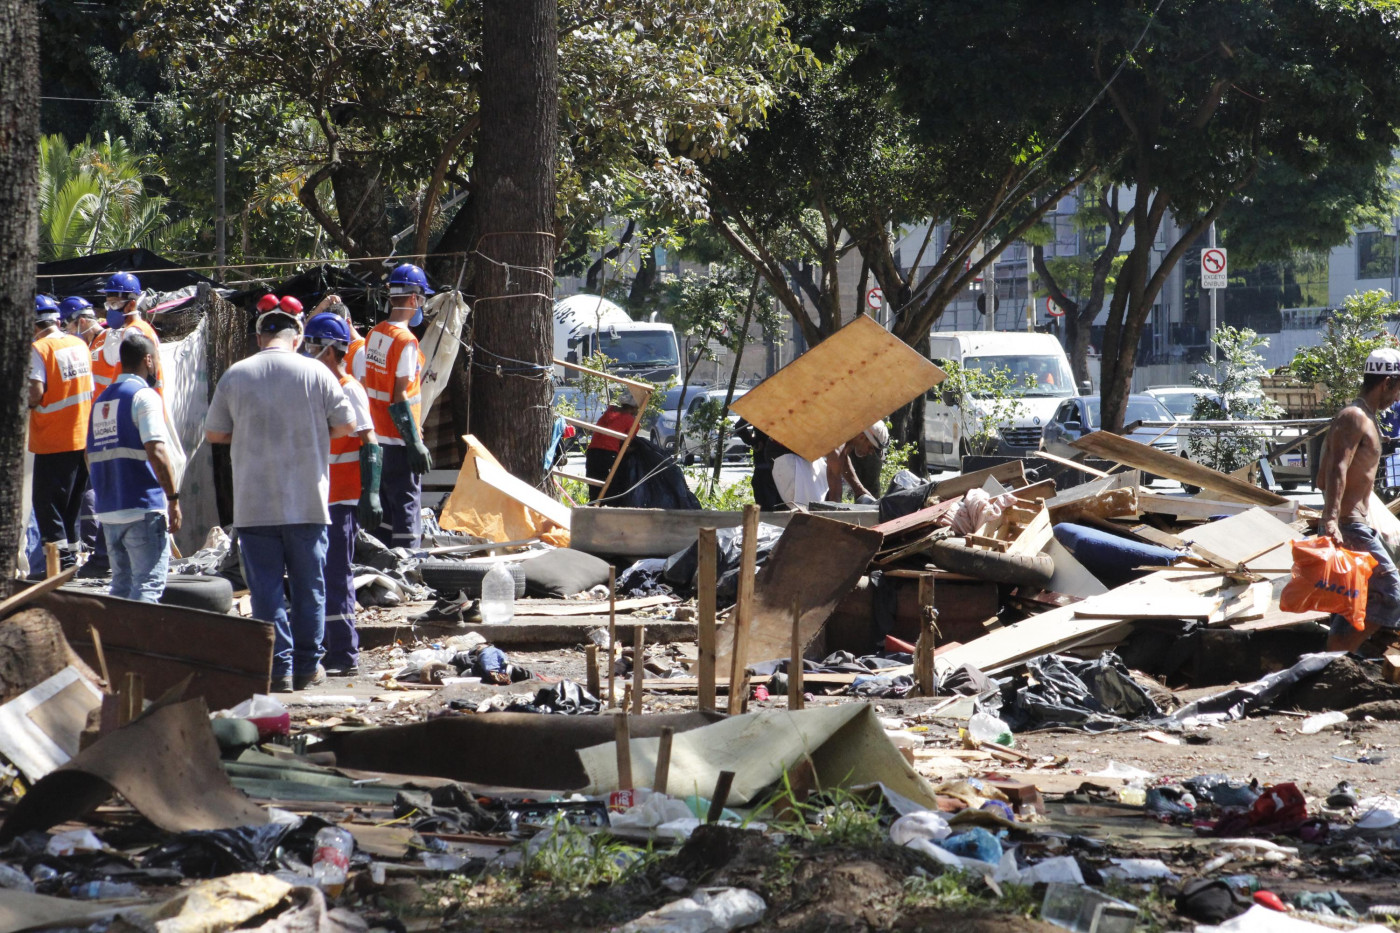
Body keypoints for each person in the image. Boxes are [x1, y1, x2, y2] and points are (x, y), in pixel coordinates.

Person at [206, 304, 357, 693]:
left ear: (260, 338)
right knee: (310, 588)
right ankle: (308, 667)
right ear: (298, 338)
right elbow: (346, 425)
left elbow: (215, 434)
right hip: (307, 502)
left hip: (254, 506)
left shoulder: (235, 375)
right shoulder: (317, 372)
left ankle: (280, 670)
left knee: (265, 593)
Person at [303, 312, 381, 676]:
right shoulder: (316, 387)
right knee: (319, 576)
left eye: (316, 346)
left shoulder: (348, 387)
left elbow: (369, 441)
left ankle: (344, 654)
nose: (309, 351)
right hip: (319, 497)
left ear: (334, 351)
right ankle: (325, 649)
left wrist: (372, 493)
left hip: (342, 498)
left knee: (335, 575)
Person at [1317, 347, 1400, 653]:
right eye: (1398, 388)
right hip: (1348, 526)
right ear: (1387, 381)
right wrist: (1331, 519)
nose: (1397, 398)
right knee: (1391, 593)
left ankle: (1333, 659)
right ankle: (1338, 654)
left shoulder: (1365, 418)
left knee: (1353, 597)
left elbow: (1322, 477)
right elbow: (1336, 467)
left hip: (1356, 523)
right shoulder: (1354, 417)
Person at [86, 333, 181, 601]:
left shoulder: (101, 400)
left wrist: (106, 491)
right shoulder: (144, 396)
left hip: (109, 510)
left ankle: (114, 642)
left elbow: (88, 454)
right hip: (142, 507)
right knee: (147, 586)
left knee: (121, 586)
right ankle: (141, 643)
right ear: (148, 360)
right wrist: (173, 499)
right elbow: (157, 450)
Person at [357, 263, 433, 549]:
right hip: (400, 443)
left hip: (377, 439)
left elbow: (370, 384)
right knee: (406, 507)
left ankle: (383, 564)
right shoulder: (406, 341)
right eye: (422, 299)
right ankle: (407, 567)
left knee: (386, 511)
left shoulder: (375, 334)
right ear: (414, 299)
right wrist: (414, 442)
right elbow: (400, 394)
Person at [29, 295, 95, 575]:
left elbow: (35, 393)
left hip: (53, 441)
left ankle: (56, 570)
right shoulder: (78, 344)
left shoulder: (38, 349)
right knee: (71, 509)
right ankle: (70, 566)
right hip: (81, 440)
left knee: (48, 509)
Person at [91, 272, 163, 396]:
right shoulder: (144, 328)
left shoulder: (132, 333)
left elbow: (132, 378)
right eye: (108, 305)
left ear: (131, 305)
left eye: (114, 304)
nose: (110, 310)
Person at [584, 391, 639, 500]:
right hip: (608, 455)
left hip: (592, 453)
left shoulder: (609, 411)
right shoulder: (631, 421)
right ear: (633, 408)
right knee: (610, 488)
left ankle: (594, 509)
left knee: (594, 487)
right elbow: (625, 446)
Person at [825, 422, 889, 503]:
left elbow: (843, 459)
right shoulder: (836, 449)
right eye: (870, 447)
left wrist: (859, 489)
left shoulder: (845, 441)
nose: (870, 453)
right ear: (862, 437)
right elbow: (834, 499)